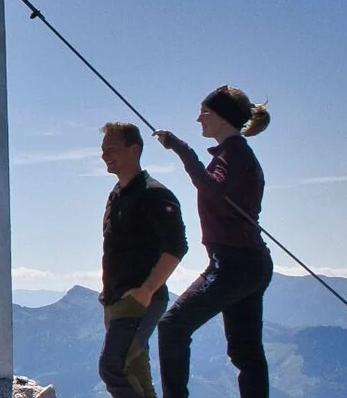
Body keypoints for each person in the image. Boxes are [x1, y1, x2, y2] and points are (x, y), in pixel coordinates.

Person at [153, 85, 273, 398]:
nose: (198, 119)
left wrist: (181, 149)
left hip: (232, 264)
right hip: (249, 262)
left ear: (222, 116)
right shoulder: (235, 153)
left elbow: (213, 188)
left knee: (172, 327)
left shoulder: (234, 153)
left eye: (204, 112)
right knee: (245, 353)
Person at [97, 121, 187, 398]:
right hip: (117, 298)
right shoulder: (117, 194)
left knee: (112, 366)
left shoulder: (154, 194)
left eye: (111, 148)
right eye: (102, 150)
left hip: (139, 300)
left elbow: (177, 247)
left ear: (134, 149)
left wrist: (146, 291)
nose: (104, 155)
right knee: (134, 370)